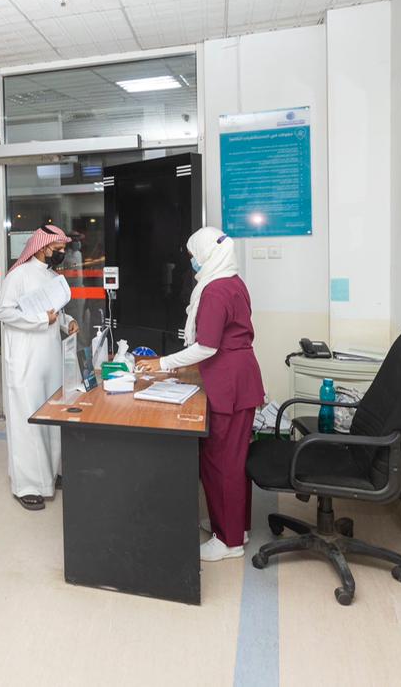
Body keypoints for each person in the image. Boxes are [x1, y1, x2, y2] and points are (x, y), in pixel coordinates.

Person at [135, 227, 265, 561]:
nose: (192, 262)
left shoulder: (216, 290)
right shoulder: (232, 281)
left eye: (194, 255)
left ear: (207, 254)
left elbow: (206, 346)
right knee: (231, 460)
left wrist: (163, 363)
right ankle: (235, 527)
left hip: (228, 383)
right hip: (236, 378)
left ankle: (229, 541)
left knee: (221, 463)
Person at [0, 225, 79, 510]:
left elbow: (55, 311)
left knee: (50, 415)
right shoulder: (18, 276)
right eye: (58, 248)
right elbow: (3, 311)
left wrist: (67, 322)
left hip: (49, 358)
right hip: (25, 360)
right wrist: (41, 320)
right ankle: (28, 485)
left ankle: (51, 472)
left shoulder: (52, 277)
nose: (62, 253)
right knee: (27, 419)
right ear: (42, 247)